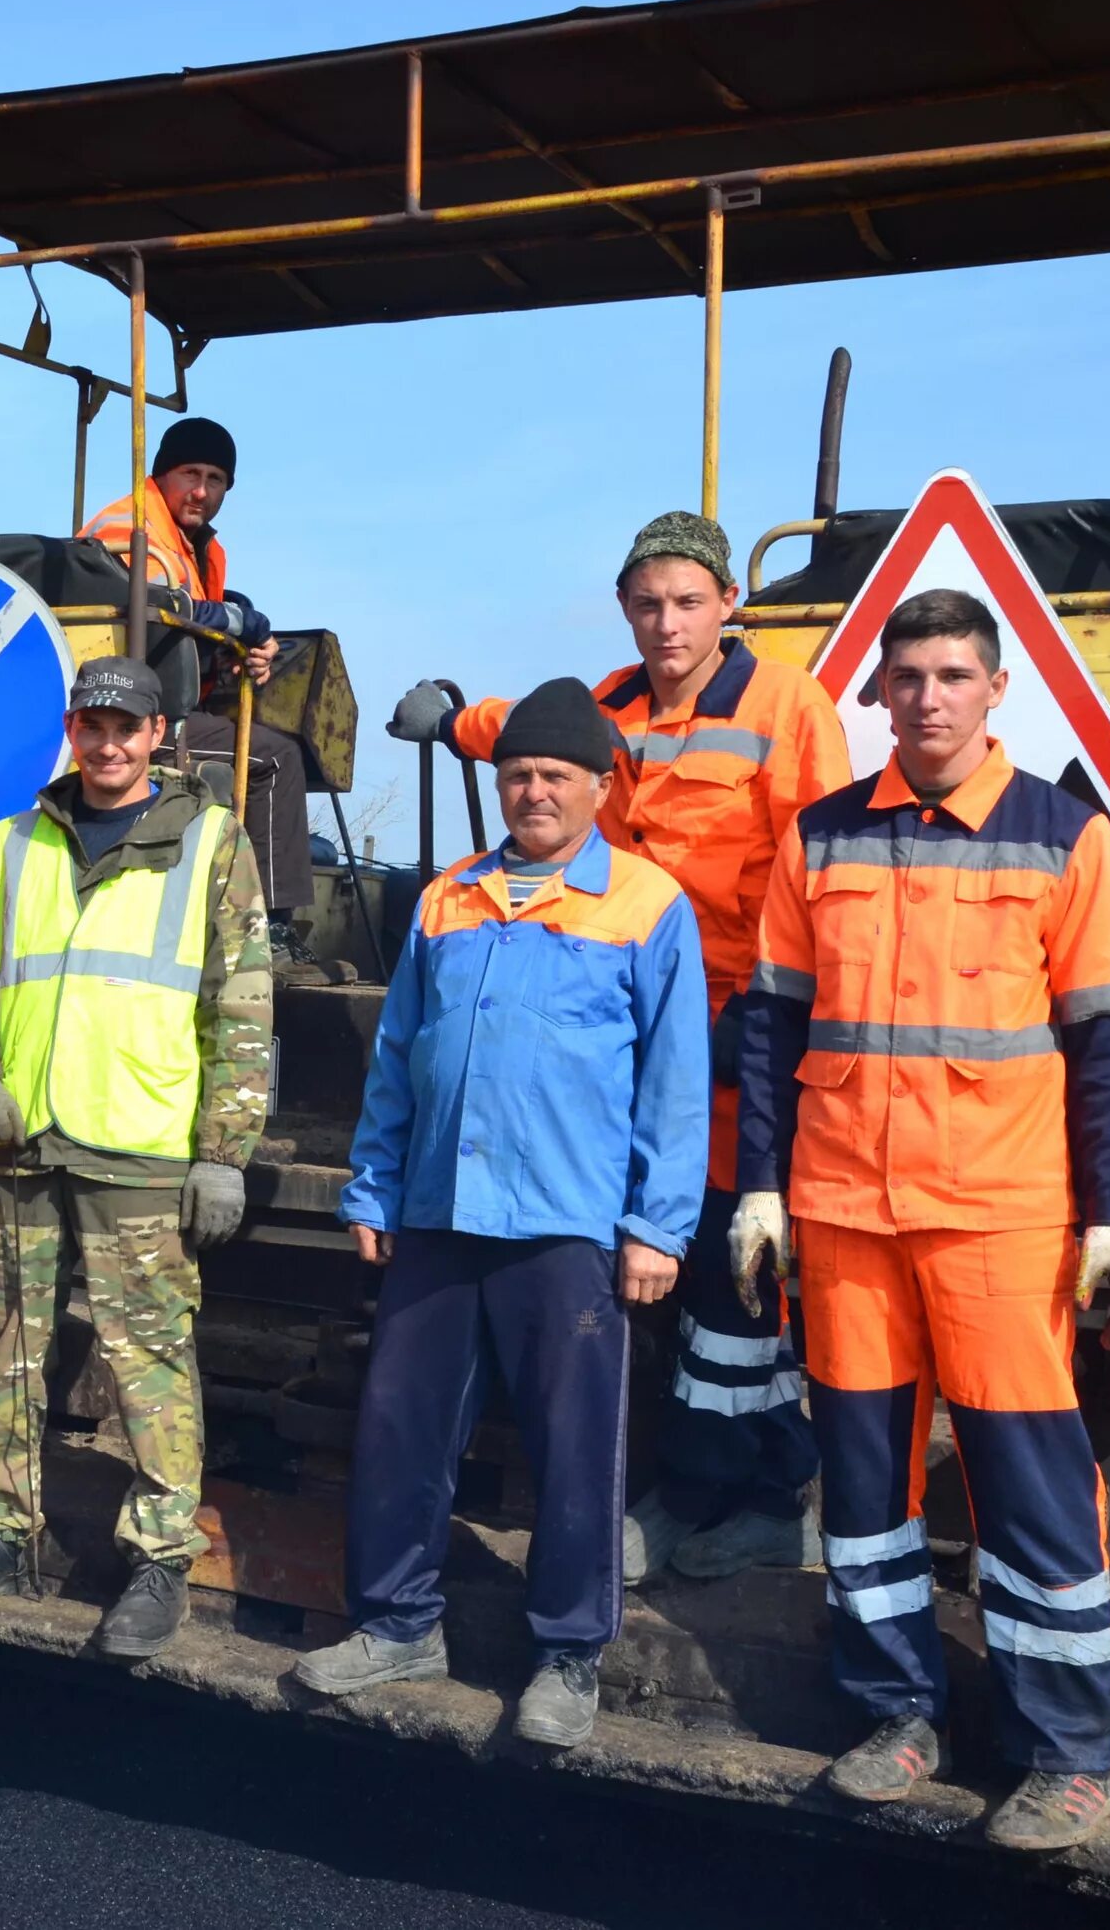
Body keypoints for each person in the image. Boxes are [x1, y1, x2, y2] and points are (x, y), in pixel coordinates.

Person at [734, 587, 1110, 1849]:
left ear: (996, 688)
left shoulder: (1063, 839)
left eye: (953, 676)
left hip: (1001, 1220)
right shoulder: (819, 839)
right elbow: (770, 1025)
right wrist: (761, 1184)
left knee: (1031, 1490)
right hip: (848, 1210)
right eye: (906, 677)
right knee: (864, 1484)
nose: (927, 698)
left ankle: (1069, 1753)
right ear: (879, 694)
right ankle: (898, 1714)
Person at [391, 512, 851, 1583]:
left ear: (729, 604)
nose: (667, 623)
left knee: (729, 1261)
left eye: (688, 602)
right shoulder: (612, 704)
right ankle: (670, 1482)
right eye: (647, 604)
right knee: (641, 1257)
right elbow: (526, 730)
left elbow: (819, 869)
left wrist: (775, 1011)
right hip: (617, 1021)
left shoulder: (787, 706)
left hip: (735, 1019)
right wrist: (458, 720)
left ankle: (755, 1491)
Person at [294, 677, 705, 1750]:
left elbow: (673, 1078)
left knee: (576, 1448)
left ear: (598, 787)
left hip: (567, 1225)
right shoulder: (447, 898)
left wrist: (659, 1226)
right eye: (518, 773)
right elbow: (398, 1061)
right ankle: (396, 1625)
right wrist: (374, 1184)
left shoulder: (649, 905)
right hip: (438, 1210)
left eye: (556, 776)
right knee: (402, 1427)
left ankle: (569, 1657)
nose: (534, 791)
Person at [0, 656, 273, 1656]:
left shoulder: (209, 844)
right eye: (92, 725)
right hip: (22, 1145)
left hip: (144, 1150)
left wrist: (224, 1153)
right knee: (7, 1349)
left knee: (148, 1360)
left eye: (127, 727)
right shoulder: (13, 841)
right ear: (70, 731)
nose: (108, 744)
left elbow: (242, 1006)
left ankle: (160, 1561)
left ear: (157, 736)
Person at [78, 417, 323, 976]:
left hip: (168, 702)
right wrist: (242, 621)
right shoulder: (129, 528)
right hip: (127, 718)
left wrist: (243, 648)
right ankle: (271, 931)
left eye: (216, 480)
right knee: (276, 760)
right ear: (161, 474)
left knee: (276, 741)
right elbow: (164, 607)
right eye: (190, 473)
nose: (202, 491)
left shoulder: (190, 543)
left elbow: (194, 626)